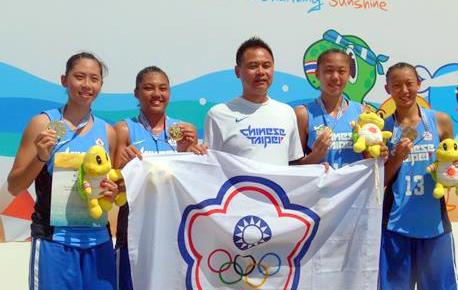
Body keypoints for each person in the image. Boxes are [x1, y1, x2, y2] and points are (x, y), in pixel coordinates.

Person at [7, 52, 119, 290]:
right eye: (79, 77)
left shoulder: (107, 132)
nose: (87, 85)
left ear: (101, 85)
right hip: (54, 241)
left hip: (98, 242)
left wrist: (114, 190)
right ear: (64, 80)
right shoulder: (43, 124)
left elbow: (116, 188)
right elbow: (14, 186)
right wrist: (41, 157)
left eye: (94, 79)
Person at [114, 66, 206, 290]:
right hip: (134, 223)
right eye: (149, 88)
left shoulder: (184, 130)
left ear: (170, 93)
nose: (157, 94)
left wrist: (189, 152)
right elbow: (113, 183)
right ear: (136, 93)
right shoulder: (124, 130)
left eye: (163, 88)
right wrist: (122, 164)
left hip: (174, 224)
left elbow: (194, 181)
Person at [379, 62, 458, 290]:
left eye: (409, 83)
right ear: (387, 89)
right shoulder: (384, 128)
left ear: (419, 84)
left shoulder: (440, 121)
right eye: (396, 85)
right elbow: (379, 182)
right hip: (395, 226)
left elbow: (452, 159)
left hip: (434, 225)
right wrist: (397, 157)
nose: (404, 90)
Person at [204, 37, 303, 165]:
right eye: (253, 66)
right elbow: (208, 167)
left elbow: (294, 165)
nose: (261, 72)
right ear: (237, 71)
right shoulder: (218, 115)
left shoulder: (287, 112)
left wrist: (318, 165)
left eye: (266, 66)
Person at [294, 48, 387, 168]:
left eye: (341, 71)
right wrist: (314, 157)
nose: (335, 77)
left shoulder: (363, 113)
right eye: (328, 71)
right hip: (321, 187)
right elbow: (293, 168)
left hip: (355, 187)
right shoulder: (303, 115)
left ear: (349, 75)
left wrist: (380, 156)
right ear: (317, 74)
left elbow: (369, 160)